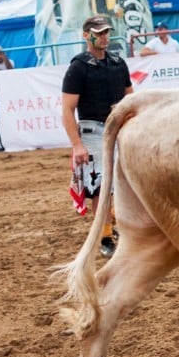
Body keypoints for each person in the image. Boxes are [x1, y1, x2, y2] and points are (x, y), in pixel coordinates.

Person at [61, 15, 133, 257]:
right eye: (99, 32)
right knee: (99, 186)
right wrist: (77, 144)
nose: (104, 37)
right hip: (93, 131)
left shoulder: (118, 63)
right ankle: (105, 236)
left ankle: (118, 227)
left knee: (123, 182)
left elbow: (131, 99)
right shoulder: (78, 67)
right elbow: (67, 109)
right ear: (86, 35)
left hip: (119, 127)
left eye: (106, 32)